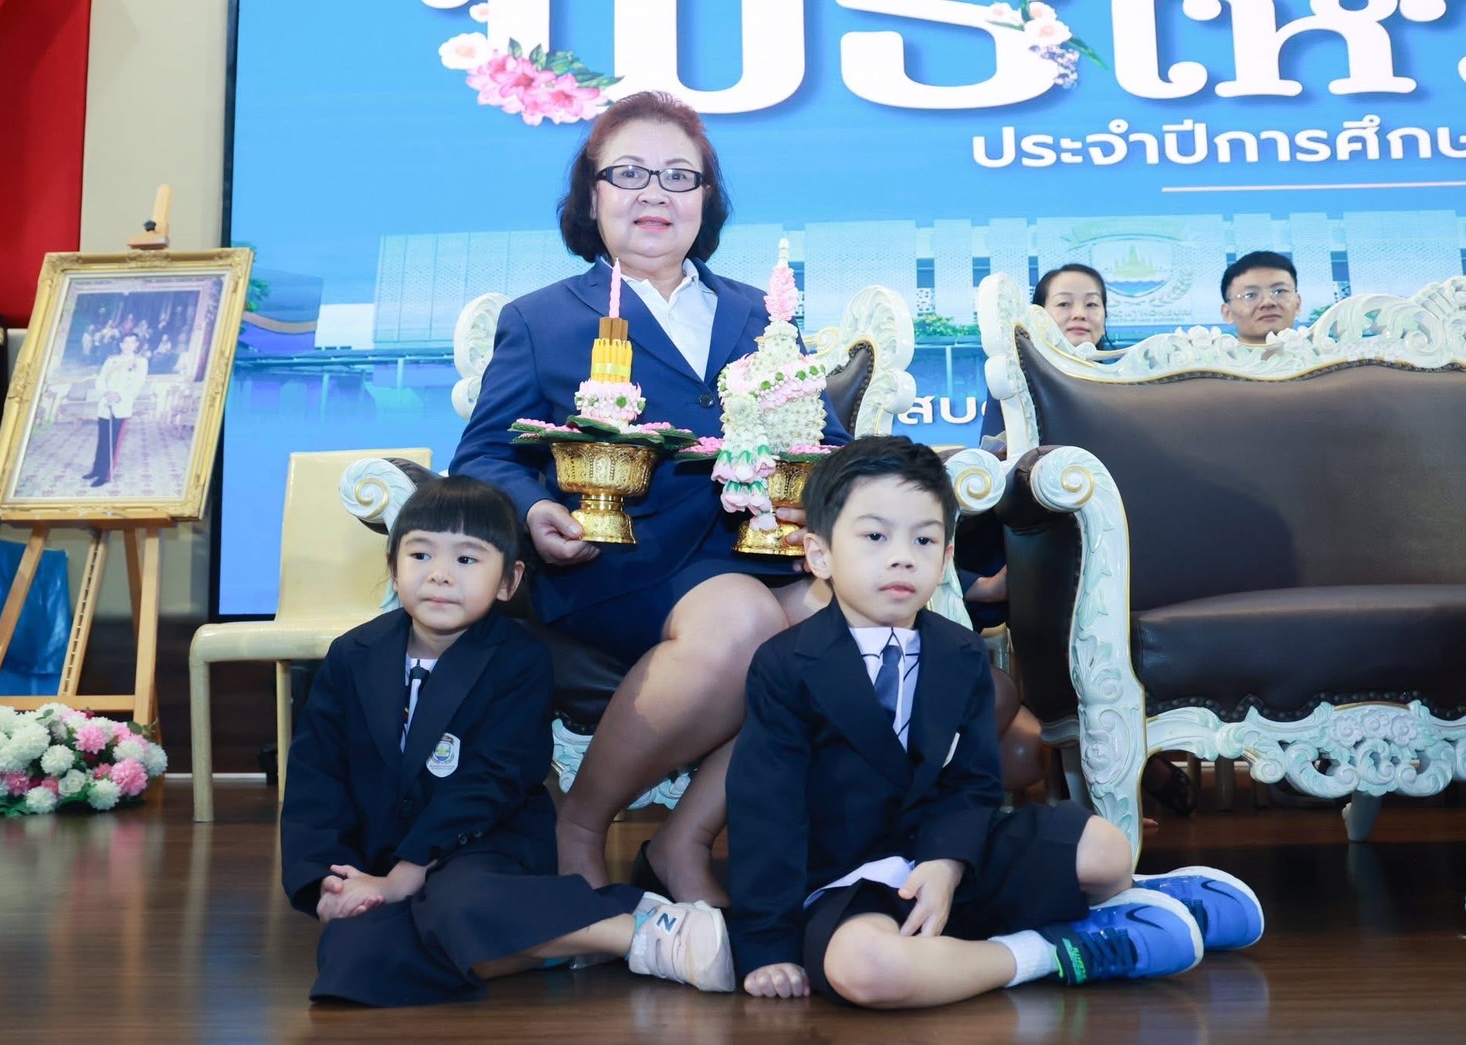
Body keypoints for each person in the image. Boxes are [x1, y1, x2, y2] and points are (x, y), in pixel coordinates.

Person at [451, 91, 850, 906]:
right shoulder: (542, 320)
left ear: (706, 198)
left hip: (756, 549)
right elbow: (483, 455)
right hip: (617, 565)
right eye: (628, 173)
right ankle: (580, 824)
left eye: (678, 175)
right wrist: (535, 512)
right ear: (590, 195)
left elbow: (829, 441)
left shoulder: (760, 313)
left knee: (839, 625)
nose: (654, 193)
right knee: (740, 617)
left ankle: (682, 838)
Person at [726, 437, 1265, 1007]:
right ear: (819, 555)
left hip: (953, 855)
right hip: (848, 884)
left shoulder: (959, 653)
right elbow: (766, 812)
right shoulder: (785, 666)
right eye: (875, 537)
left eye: (923, 540)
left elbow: (973, 781)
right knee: (869, 971)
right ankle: (1061, 949)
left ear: (946, 558)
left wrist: (946, 862)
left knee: (1106, 850)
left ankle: (1133, 898)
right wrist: (767, 948)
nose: (902, 557)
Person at [279, 475, 735, 1007]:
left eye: (466, 559)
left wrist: (407, 874)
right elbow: (316, 776)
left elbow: (491, 782)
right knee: (352, 958)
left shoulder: (518, 659)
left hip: (486, 844)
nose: (440, 574)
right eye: (420, 555)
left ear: (508, 580)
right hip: (388, 856)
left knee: (458, 902)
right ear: (394, 568)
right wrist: (327, 882)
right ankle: (569, 938)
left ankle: (641, 932)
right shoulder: (352, 655)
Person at [971, 263, 1196, 816]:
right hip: (1044, 541)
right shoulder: (1014, 384)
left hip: (1134, 539)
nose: (1080, 313)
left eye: (1092, 303)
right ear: (1039, 314)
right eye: (1064, 302)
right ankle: (1122, 782)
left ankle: (1135, 770)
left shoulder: (1131, 377)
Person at [84, 332, 148, 488]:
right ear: (120, 344)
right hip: (105, 404)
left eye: (132, 342)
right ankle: (96, 469)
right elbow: (100, 380)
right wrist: (106, 393)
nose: (128, 345)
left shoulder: (140, 362)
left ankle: (105, 475)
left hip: (121, 406)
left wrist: (119, 396)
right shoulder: (111, 360)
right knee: (102, 440)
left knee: (114, 441)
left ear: (136, 345)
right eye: (125, 342)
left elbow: (138, 384)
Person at [1220, 250, 1301, 347]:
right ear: (1227, 313)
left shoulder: (1316, 355)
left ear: (1298, 304)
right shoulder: (1212, 357)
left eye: (1279, 291)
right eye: (1250, 295)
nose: (1268, 302)